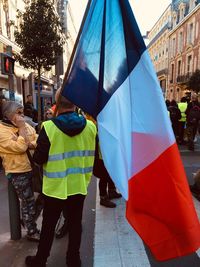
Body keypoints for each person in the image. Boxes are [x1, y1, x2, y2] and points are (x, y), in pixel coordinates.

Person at [25, 89, 97, 267]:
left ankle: (40, 260)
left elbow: (39, 159)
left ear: (56, 104)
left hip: (55, 188)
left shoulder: (48, 127)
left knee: (48, 226)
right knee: (74, 224)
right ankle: (73, 259)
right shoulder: (91, 127)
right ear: (75, 103)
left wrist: (30, 148)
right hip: (79, 185)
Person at [0, 101, 40, 241]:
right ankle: (31, 230)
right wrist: (23, 133)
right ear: (9, 115)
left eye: (22, 112)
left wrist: (27, 143)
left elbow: (36, 139)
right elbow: (19, 148)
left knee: (42, 197)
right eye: (18, 113)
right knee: (27, 201)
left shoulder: (25, 125)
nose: (22, 116)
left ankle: (28, 220)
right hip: (18, 171)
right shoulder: (2, 131)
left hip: (33, 167)